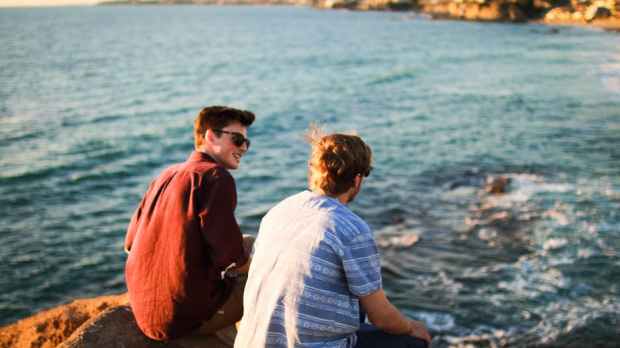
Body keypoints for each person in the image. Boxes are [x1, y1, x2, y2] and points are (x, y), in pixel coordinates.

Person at [235, 128, 431, 348]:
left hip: (251, 341)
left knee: (357, 297)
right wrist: (412, 327)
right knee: (412, 342)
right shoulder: (351, 228)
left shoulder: (279, 210)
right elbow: (382, 317)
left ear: (313, 171)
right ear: (357, 180)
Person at [124, 106, 255, 341]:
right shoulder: (216, 177)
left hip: (144, 314)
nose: (243, 148)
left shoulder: (165, 175)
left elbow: (129, 244)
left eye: (247, 143)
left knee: (244, 245)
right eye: (237, 140)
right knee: (267, 272)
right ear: (210, 136)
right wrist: (258, 266)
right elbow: (230, 257)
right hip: (182, 318)